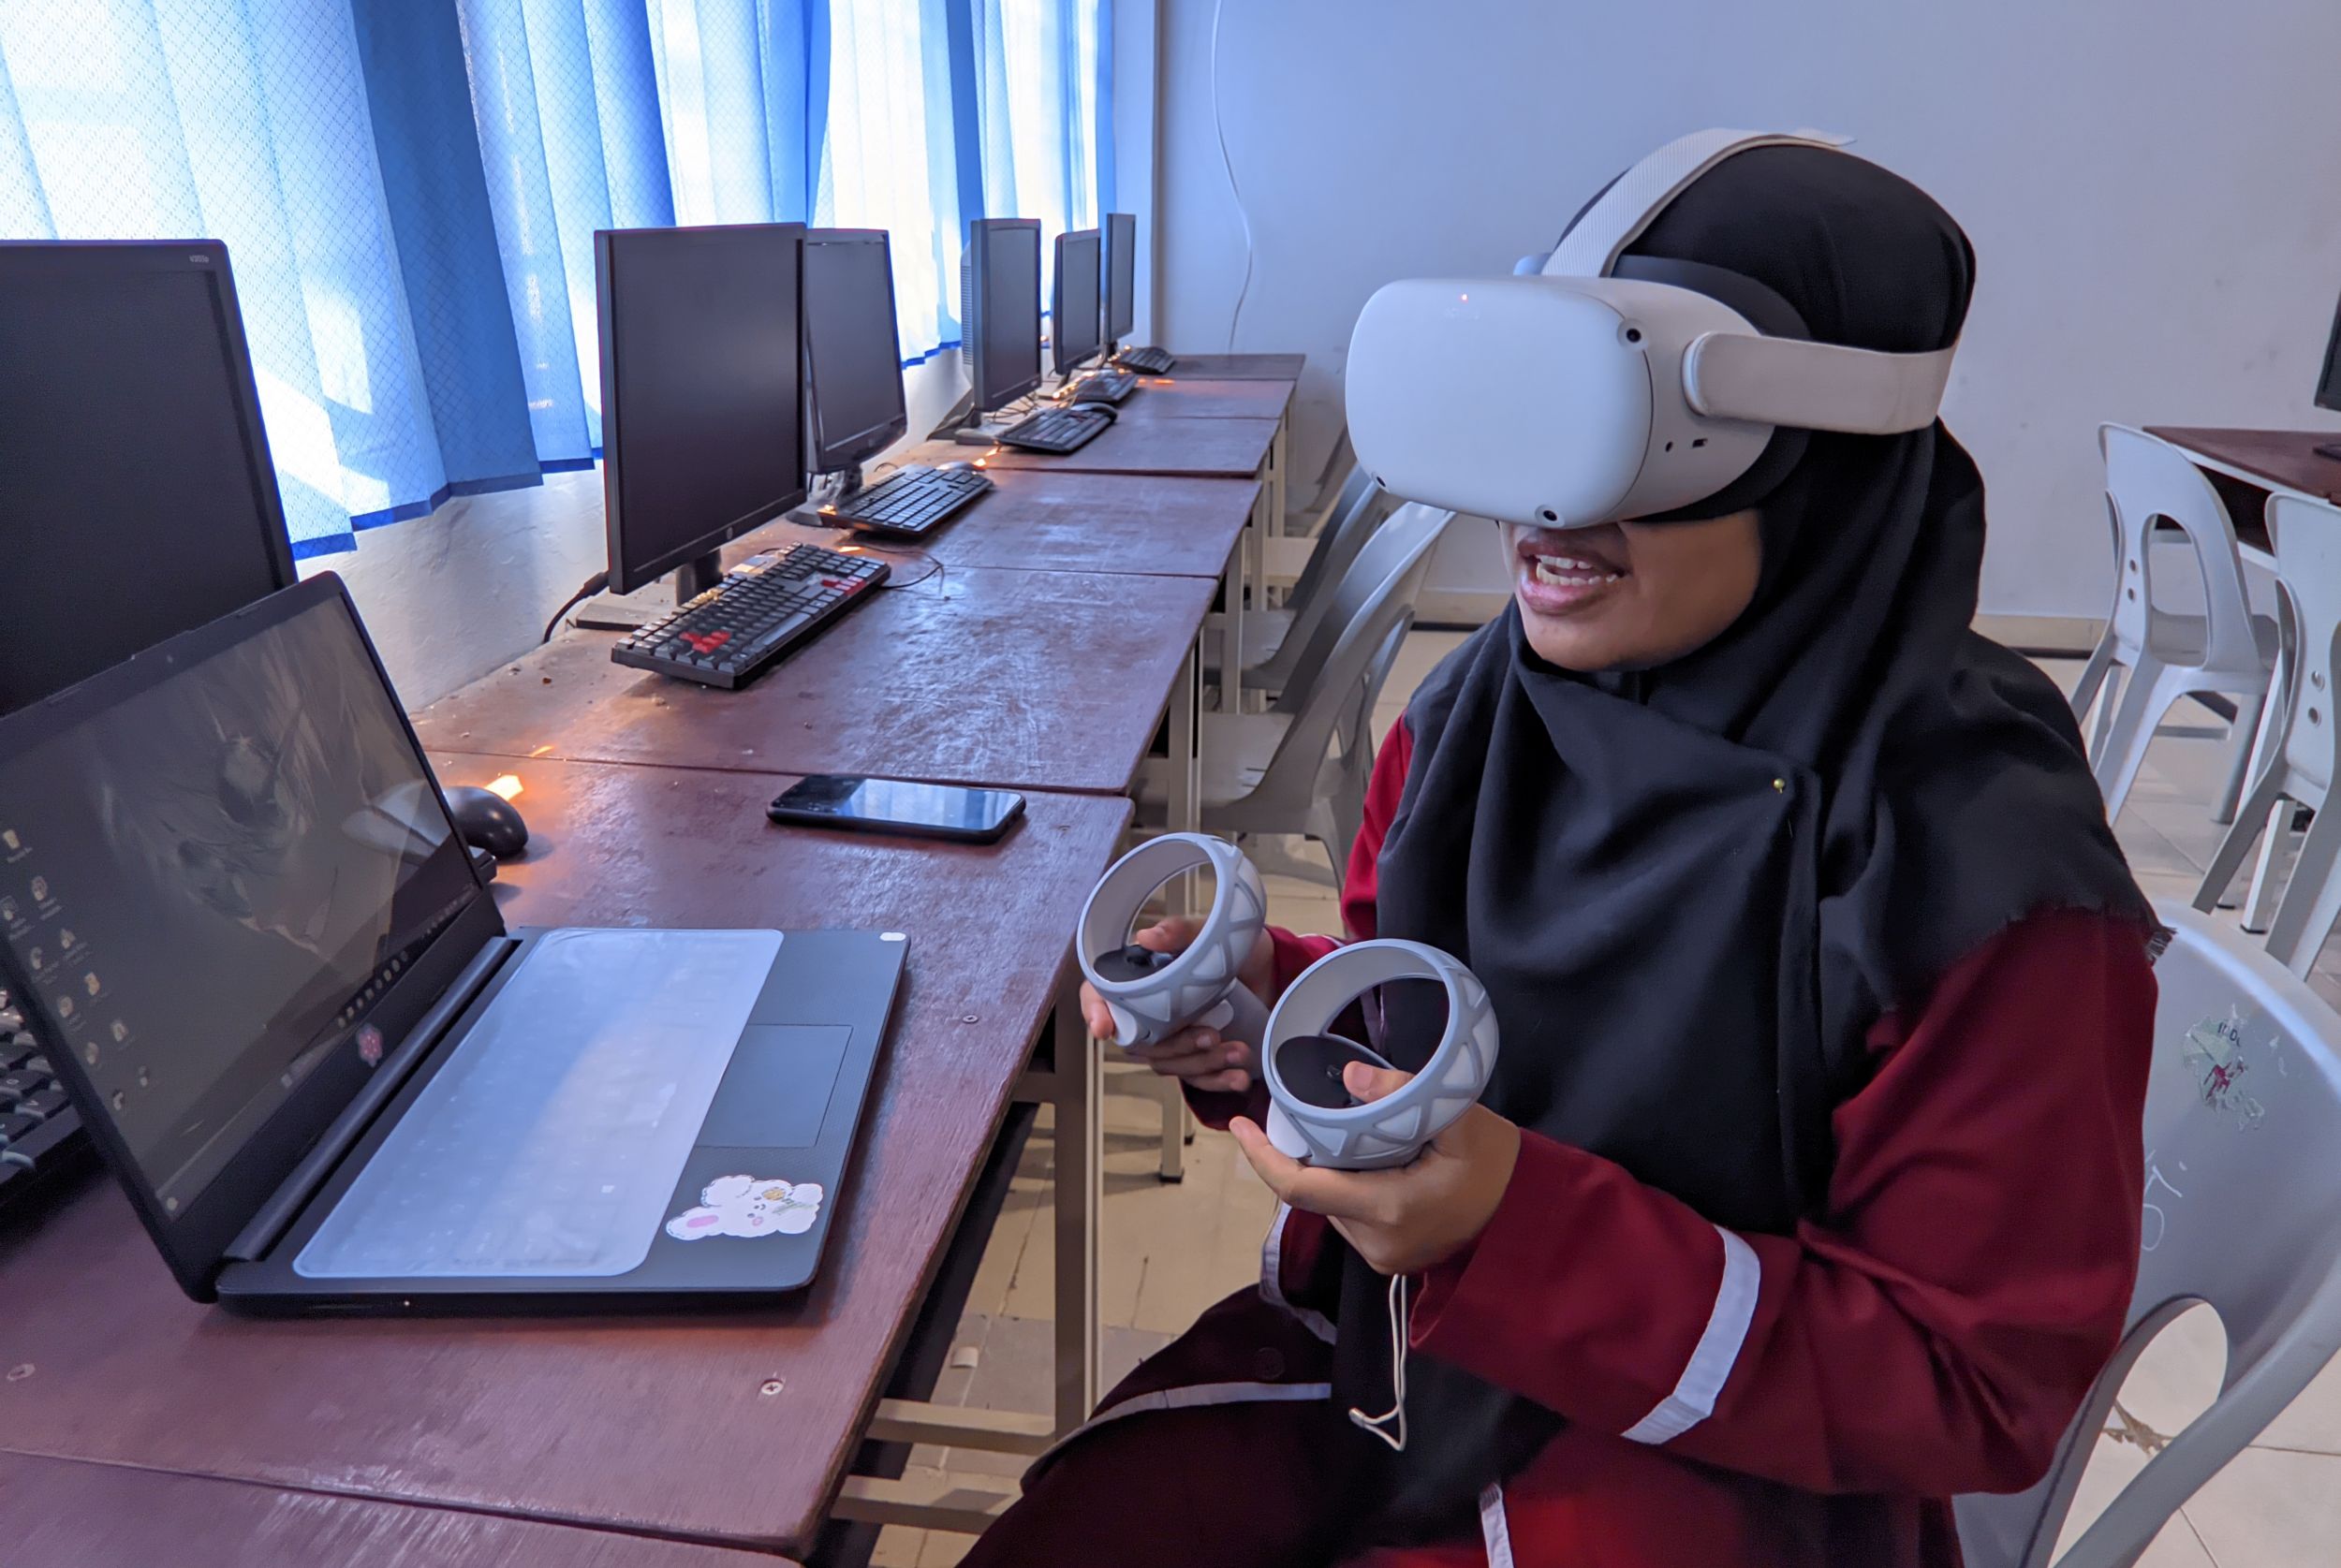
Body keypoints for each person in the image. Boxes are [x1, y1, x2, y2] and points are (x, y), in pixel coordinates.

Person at [964, 139, 2159, 1567]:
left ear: (1828, 461)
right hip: (1411, 1371)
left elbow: (1973, 1386)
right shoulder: (1472, 727)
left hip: (1714, 1480)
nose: (1546, 511)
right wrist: (1272, 1015)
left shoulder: (1977, 878)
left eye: (1643, 439)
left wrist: (1515, 1228)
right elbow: (1430, 1014)